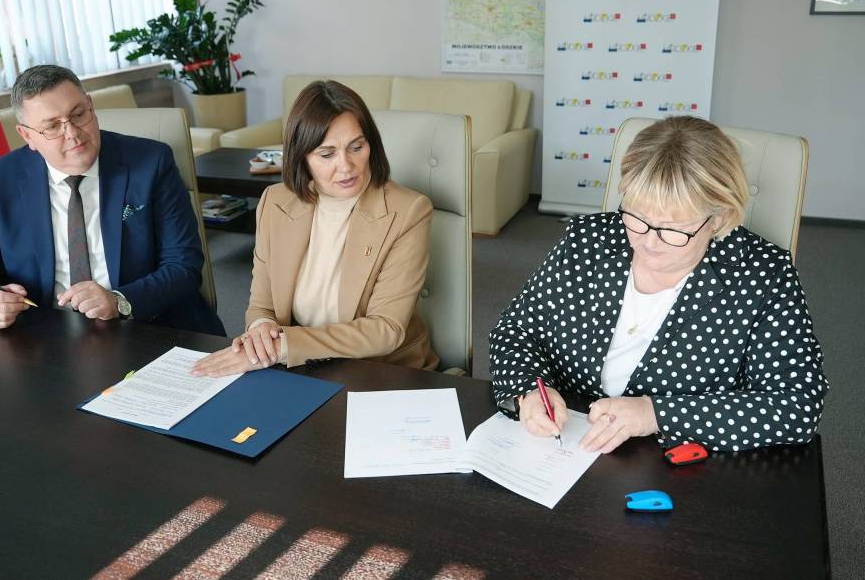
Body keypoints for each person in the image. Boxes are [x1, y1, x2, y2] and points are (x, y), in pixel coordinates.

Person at [490, 115, 827, 453]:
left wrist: (656, 414)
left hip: (677, 461)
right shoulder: (588, 239)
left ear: (719, 218)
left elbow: (798, 404)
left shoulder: (763, 275)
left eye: (673, 229)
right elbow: (515, 330)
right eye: (638, 217)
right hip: (564, 445)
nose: (649, 242)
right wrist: (529, 392)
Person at [0, 64, 225, 336]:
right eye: (52, 127)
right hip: (48, 338)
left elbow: (183, 264)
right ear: (27, 136)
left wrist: (120, 301)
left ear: (91, 106)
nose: (73, 133)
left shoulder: (150, 162)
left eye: (78, 114)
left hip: (148, 328)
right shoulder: (1, 179)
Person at [192, 80, 438, 376]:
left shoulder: (408, 211)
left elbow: (385, 330)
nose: (346, 166)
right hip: (302, 367)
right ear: (303, 157)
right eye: (326, 154)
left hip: (380, 370)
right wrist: (261, 329)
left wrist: (282, 346)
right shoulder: (275, 201)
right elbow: (262, 304)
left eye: (356, 147)